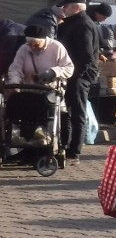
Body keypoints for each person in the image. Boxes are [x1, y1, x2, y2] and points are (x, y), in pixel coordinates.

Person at [4, 24, 75, 164]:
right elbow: (15, 69)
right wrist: (15, 84)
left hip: (50, 91)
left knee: (52, 117)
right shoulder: (24, 49)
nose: (32, 47)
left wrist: (54, 72)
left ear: (44, 40)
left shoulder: (57, 47)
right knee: (21, 115)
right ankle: (27, 148)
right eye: (29, 44)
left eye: (35, 44)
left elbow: (69, 68)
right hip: (29, 91)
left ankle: (49, 149)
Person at [57, 0, 100, 166]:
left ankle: (74, 152)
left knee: (77, 113)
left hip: (79, 76)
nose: (63, 9)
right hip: (73, 74)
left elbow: (87, 56)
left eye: (66, 6)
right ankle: (65, 146)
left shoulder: (83, 24)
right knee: (66, 111)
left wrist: (76, 76)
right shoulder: (74, 22)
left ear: (75, 7)